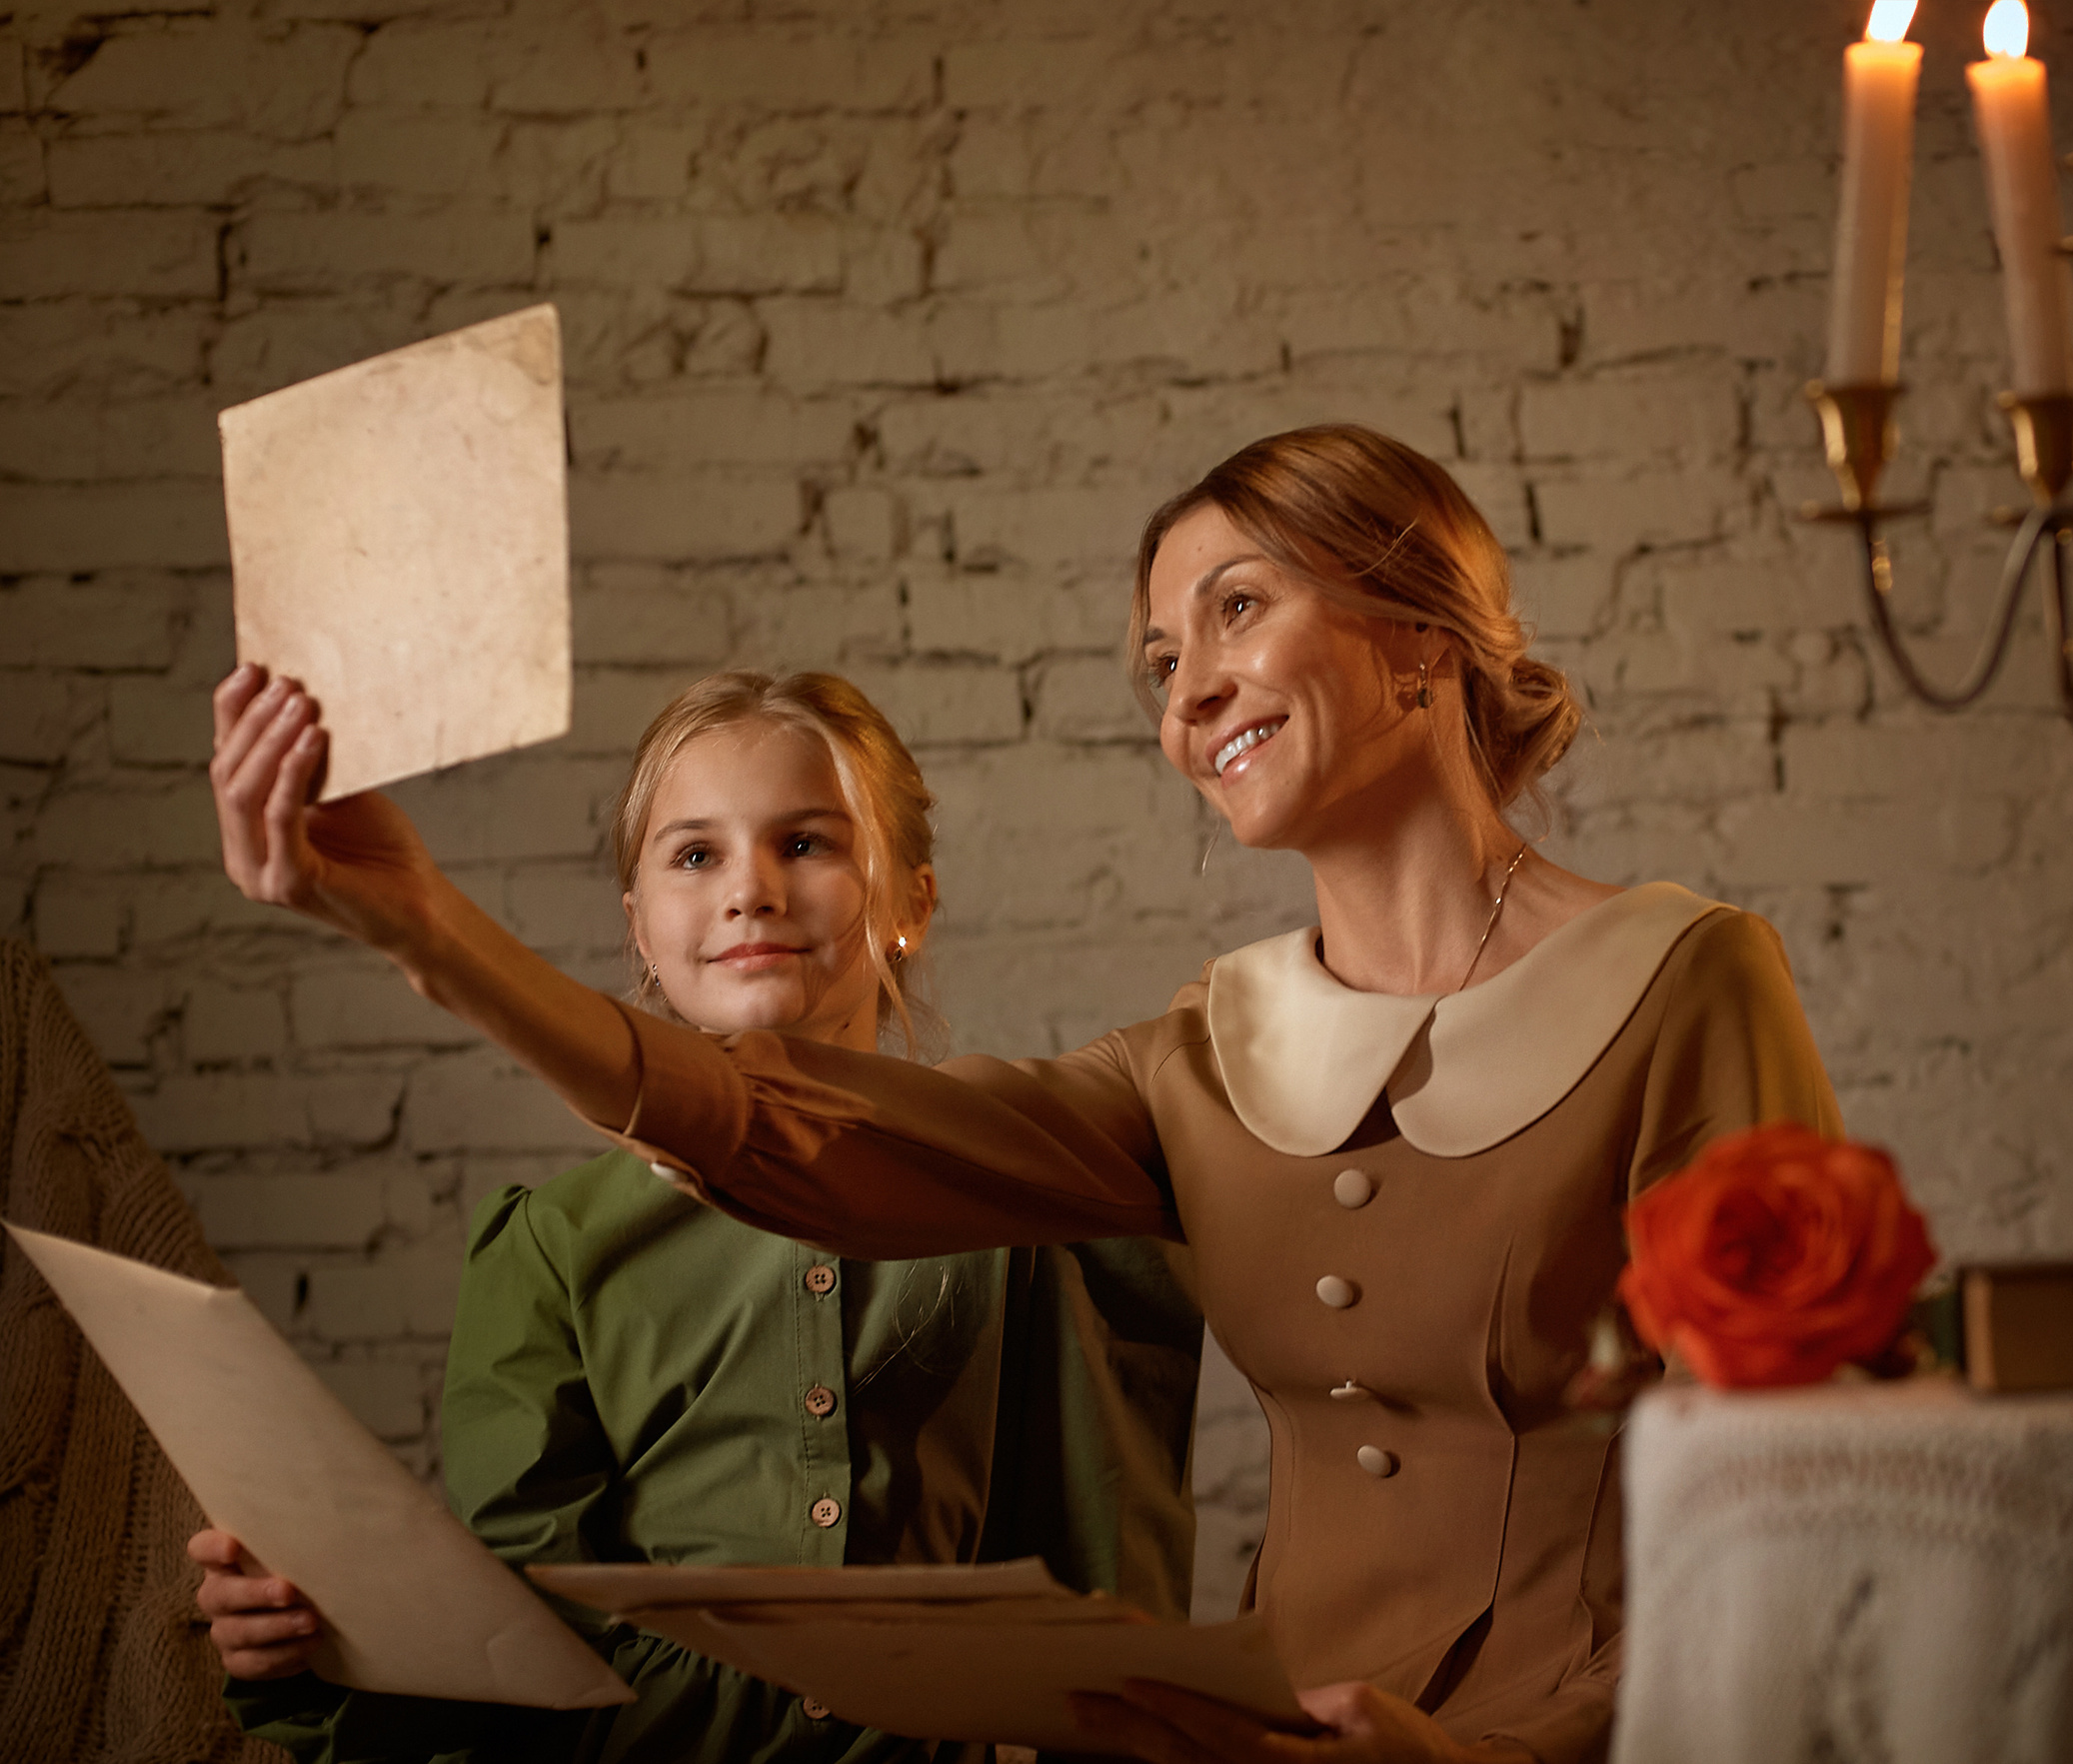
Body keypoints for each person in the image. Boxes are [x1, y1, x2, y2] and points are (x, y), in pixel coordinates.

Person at [209, 425, 1842, 1764]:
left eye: (1238, 608)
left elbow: (1792, 1502)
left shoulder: (1683, 979)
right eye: (1162, 658)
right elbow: (793, 1134)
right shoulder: (1206, 1053)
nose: (1187, 694)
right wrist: (423, 929)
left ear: (1421, 625)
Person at [192, 671, 1202, 1763]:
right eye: (694, 855)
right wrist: (315, 1647)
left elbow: (1113, 1601)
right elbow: (518, 1653)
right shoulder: (551, 1246)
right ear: (639, 924)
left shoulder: (1036, 1210)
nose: (750, 890)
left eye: (804, 844)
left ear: (911, 903)